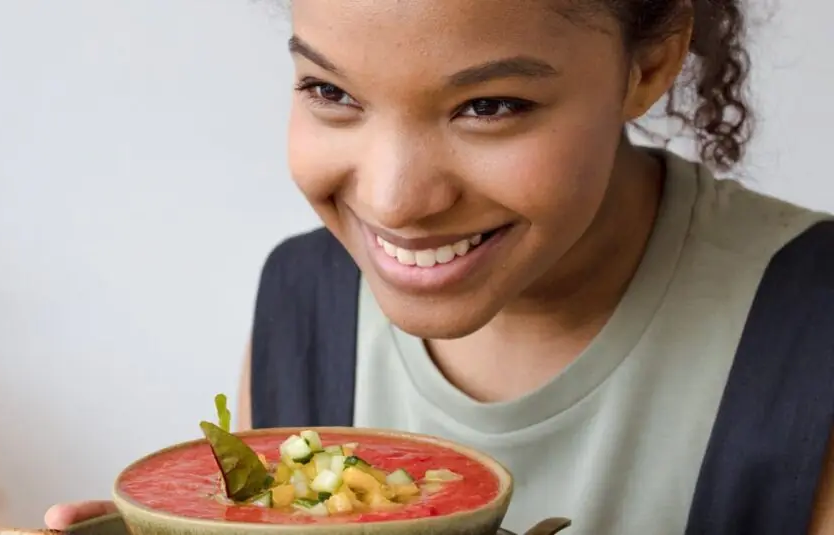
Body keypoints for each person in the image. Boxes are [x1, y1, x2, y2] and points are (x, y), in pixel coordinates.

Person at [45, 1, 834, 534]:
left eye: (488, 106)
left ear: (652, 64)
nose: (396, 201)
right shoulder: (302, 302)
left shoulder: (810, 328)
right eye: (330, 90)